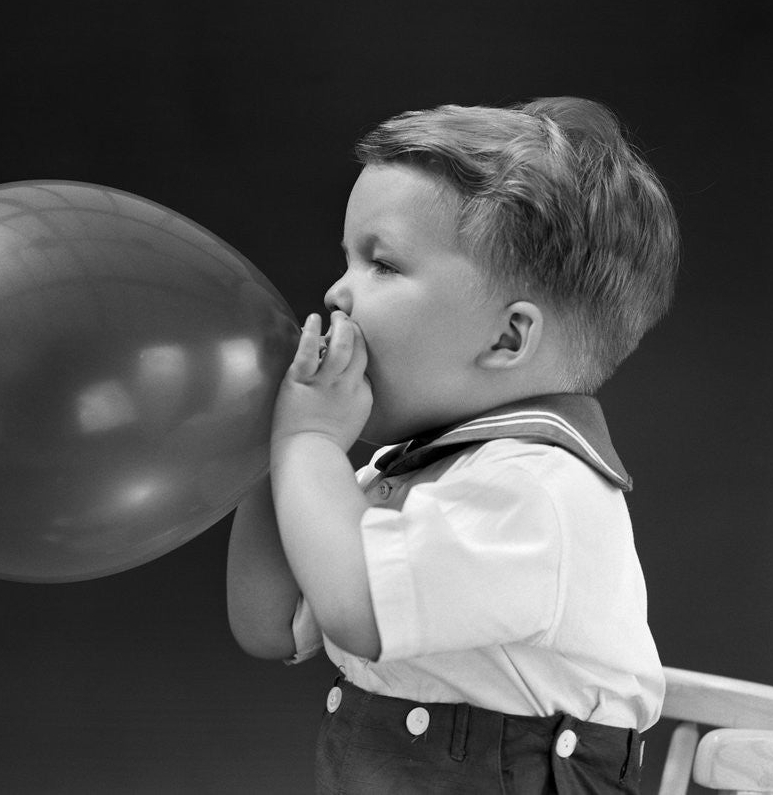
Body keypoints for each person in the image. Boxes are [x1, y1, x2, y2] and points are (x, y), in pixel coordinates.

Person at [226, 97, 680, 793]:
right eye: (345, 260)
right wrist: (274, 452)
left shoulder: (535, 490)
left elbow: (362, 611)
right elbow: (272, 625)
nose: (336, 293)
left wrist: (310, 441)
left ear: (507, 339)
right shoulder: (412, 471)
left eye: (381, 264)